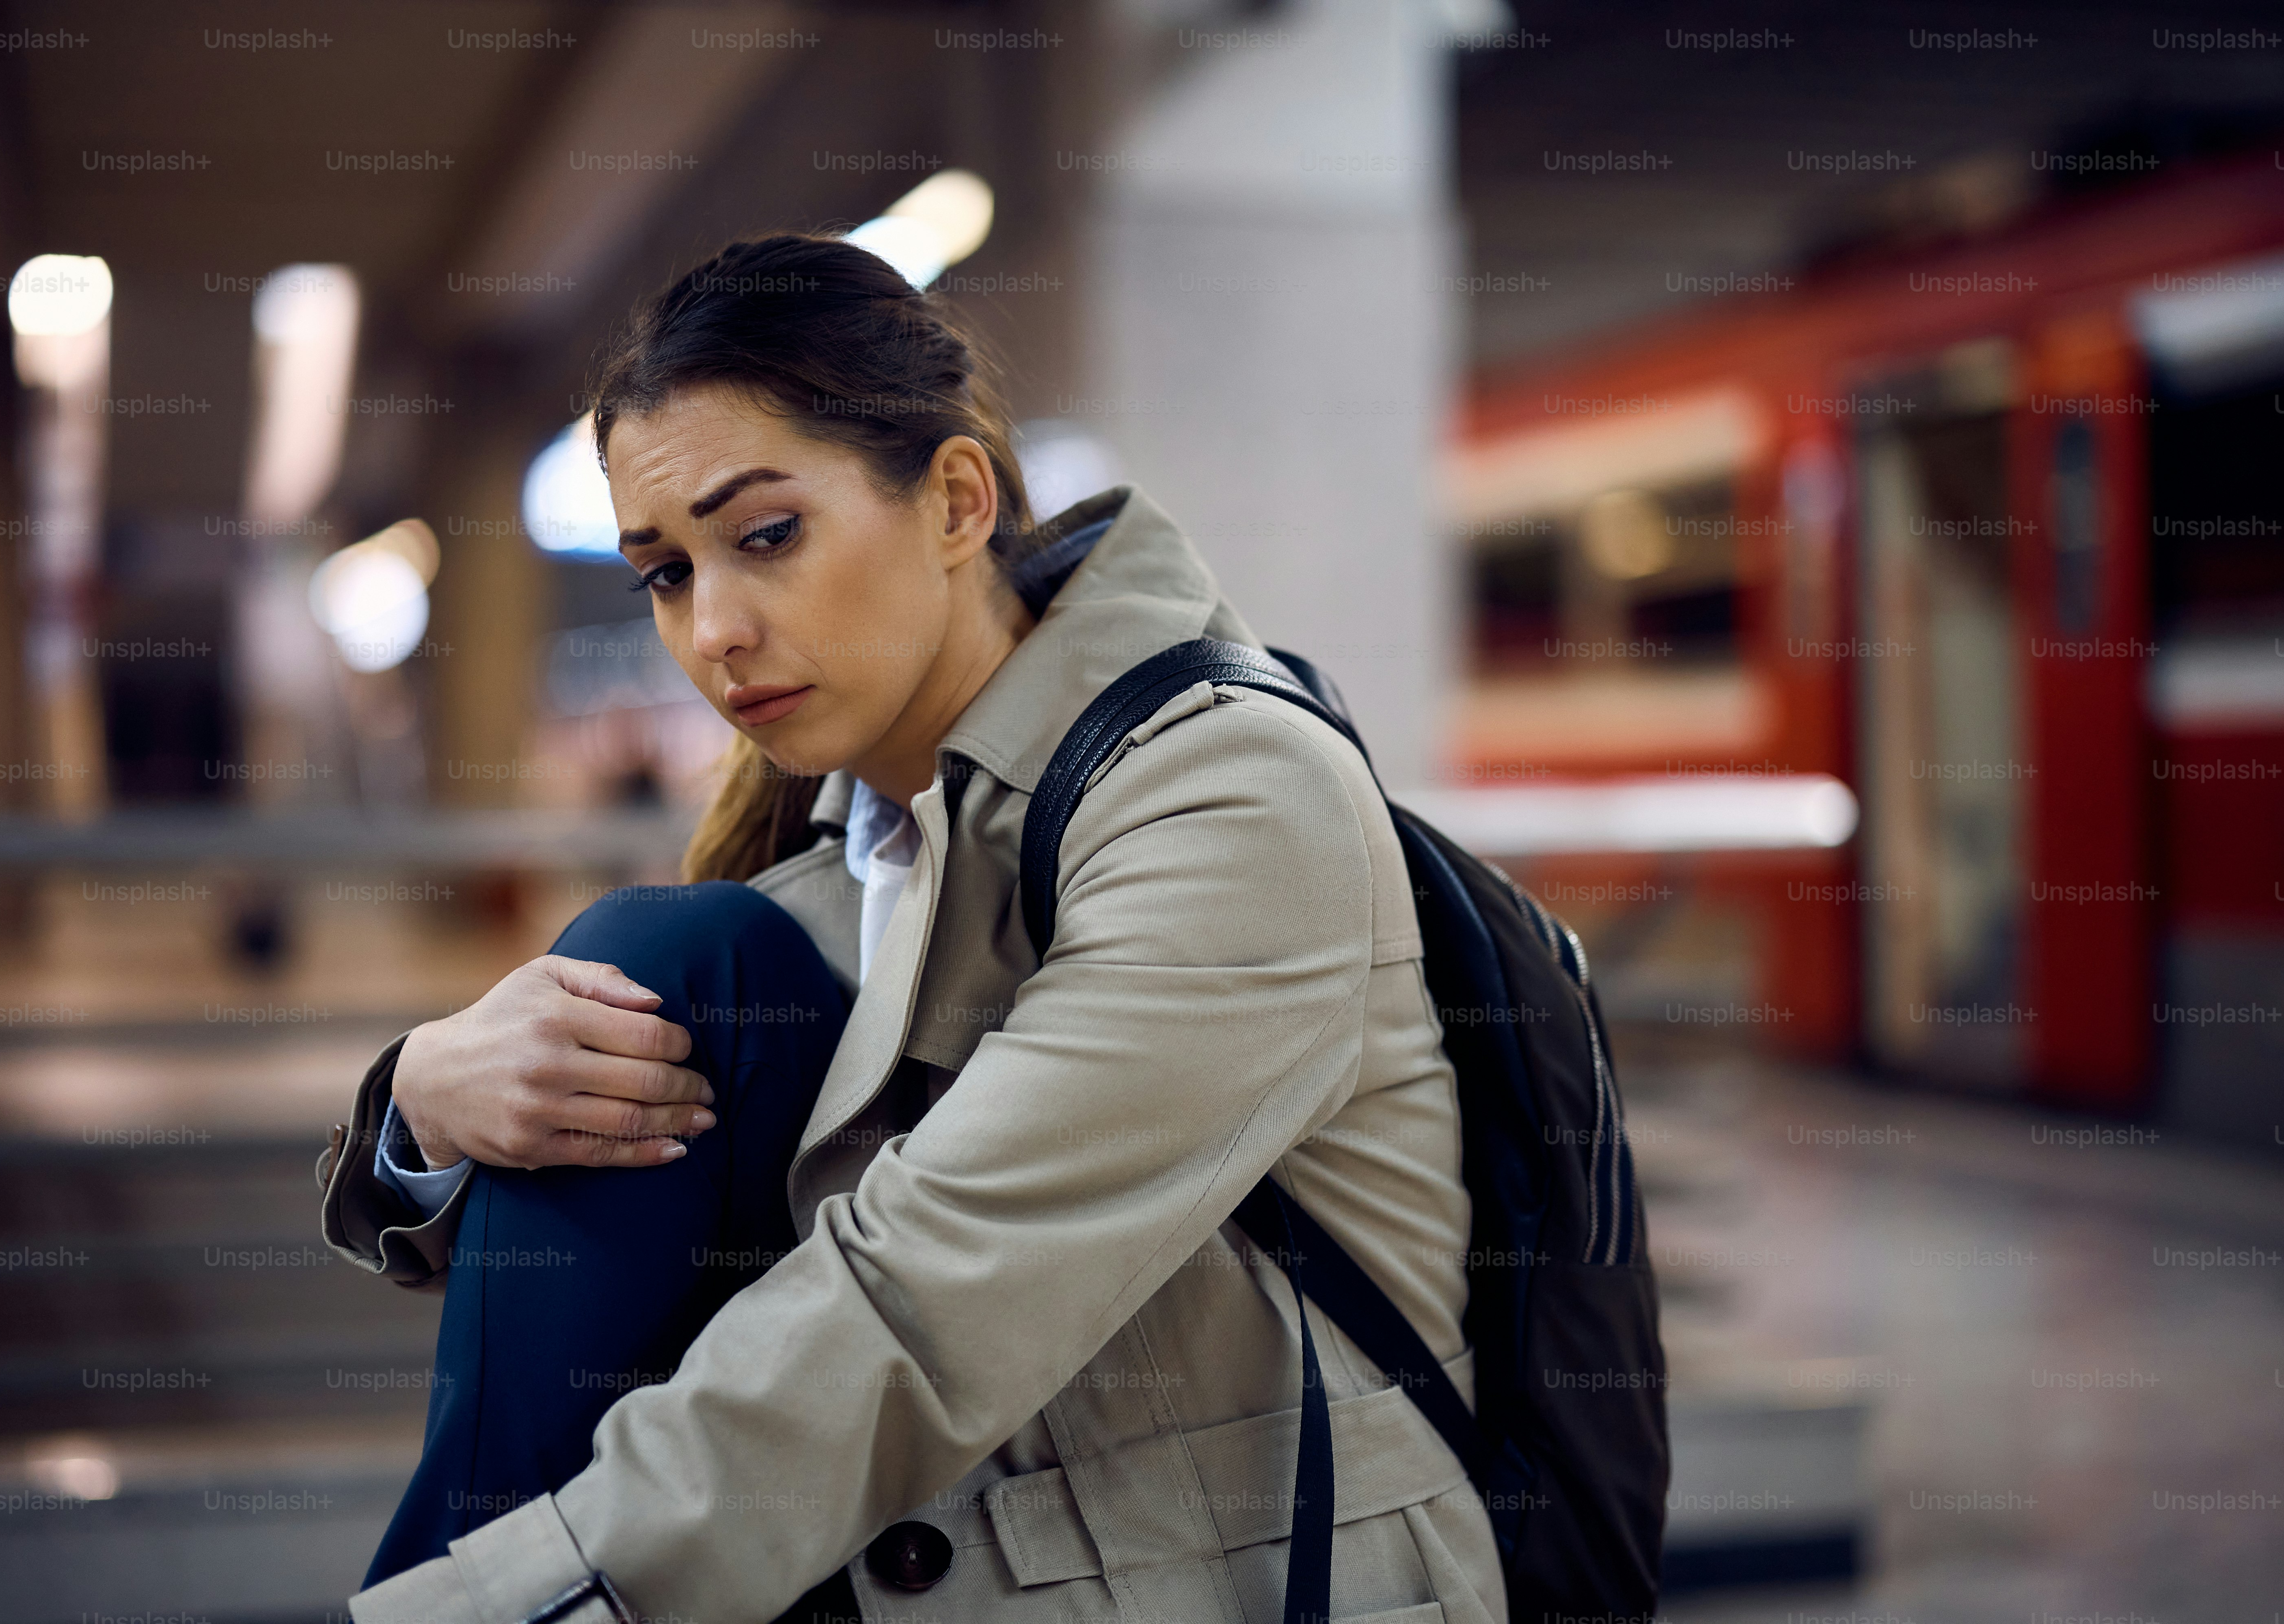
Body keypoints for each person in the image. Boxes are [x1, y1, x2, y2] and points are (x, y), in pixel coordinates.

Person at [320, 231, 1500, 1624]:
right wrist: (429, 1113)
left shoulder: (1231, 794)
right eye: (667, 574)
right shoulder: (820, 879)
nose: (713, 631)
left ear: (953, 502)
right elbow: (579, 1268)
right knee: (663, 964)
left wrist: (531, 1601)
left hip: (1248, 1583)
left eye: (764, 538)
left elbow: (930, 1297)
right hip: (975, 1566)